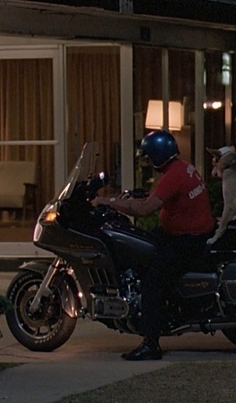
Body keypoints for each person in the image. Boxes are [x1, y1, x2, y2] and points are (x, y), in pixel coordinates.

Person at [90, 130, 215, 360]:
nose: (146, 161)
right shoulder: (181, 167)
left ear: (158, 155)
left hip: (187, 240)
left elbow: (145, 209)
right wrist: (134, 198)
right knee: (139, 247)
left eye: (148, 156)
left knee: (152, 280)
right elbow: (162, 198)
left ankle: (150, 343)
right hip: (183, 233)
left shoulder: (173, 175)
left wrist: (108, 202)